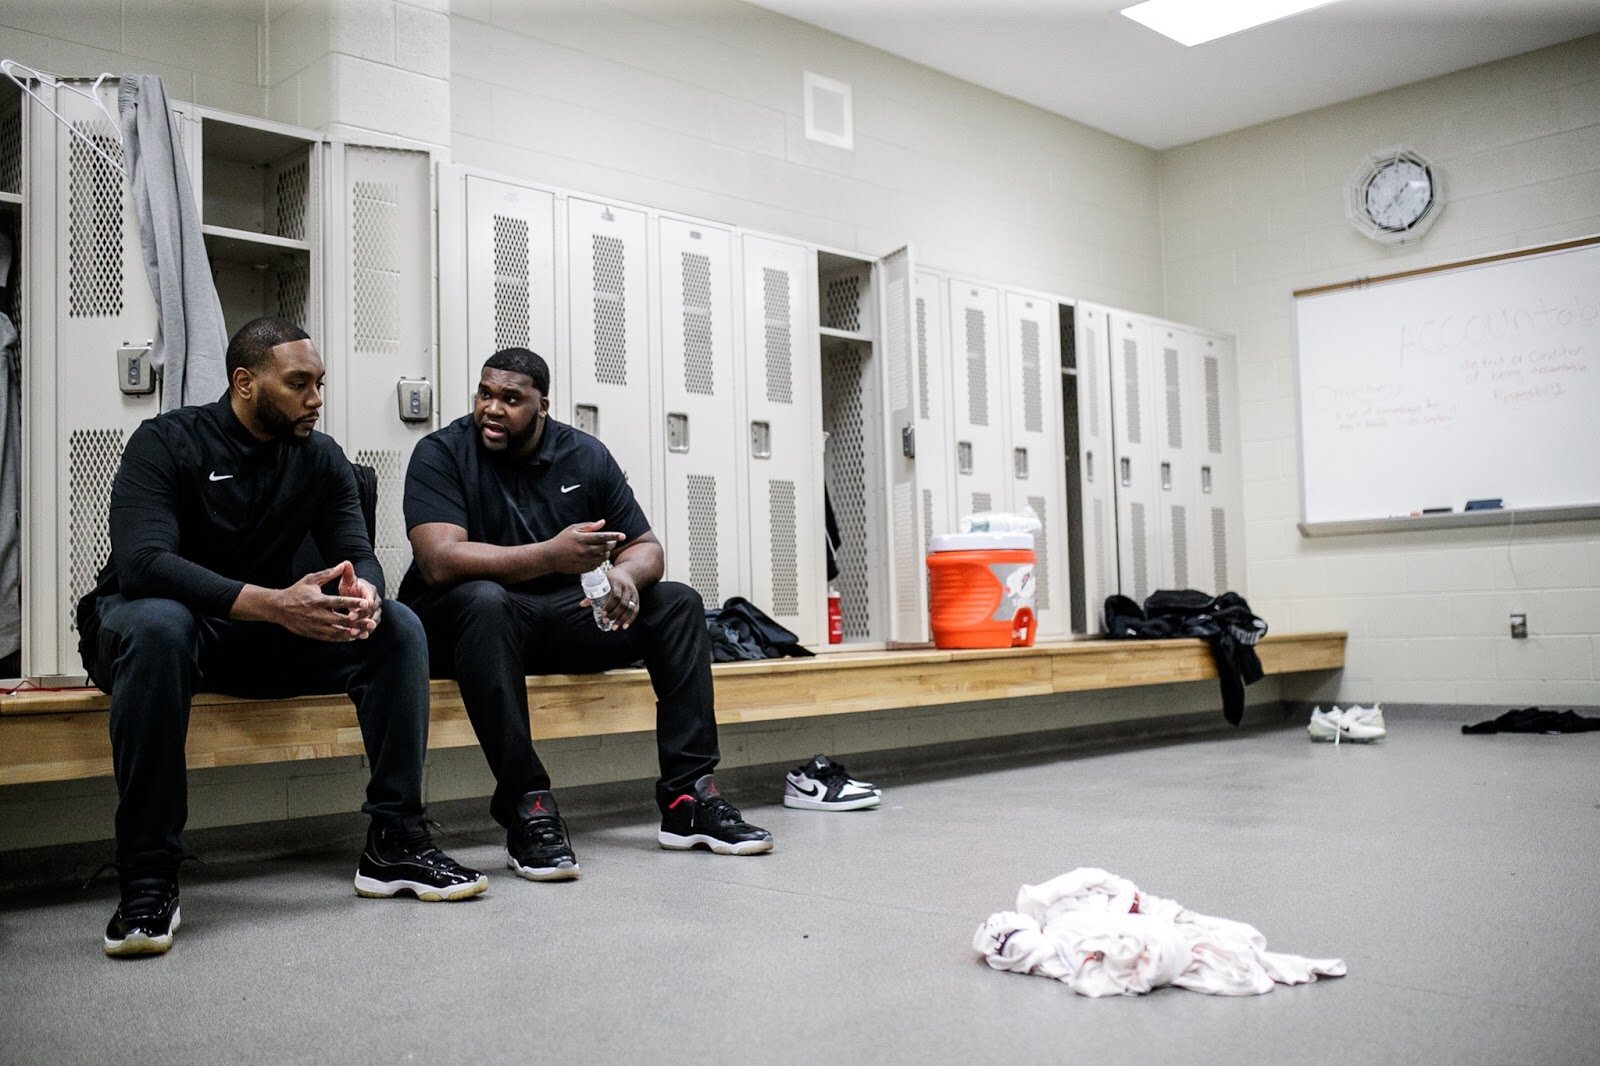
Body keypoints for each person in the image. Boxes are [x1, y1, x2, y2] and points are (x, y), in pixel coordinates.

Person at [78, 317, 487, 959]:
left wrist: (365, 592)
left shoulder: (320, 459)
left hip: (266, 632)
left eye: (319, 384)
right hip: (158, 633)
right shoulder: (165, 443)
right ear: (245, 384)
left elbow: (359, 552)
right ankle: (148, 878)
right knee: (160, 623)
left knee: (398, 627)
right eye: (299, 384)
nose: (316, 399)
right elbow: (144, 565)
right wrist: (274, 605)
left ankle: (396, 841)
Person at [400, 347, 772, 881]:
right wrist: (550, 555)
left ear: (542, 406)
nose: (492, 409)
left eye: (511, 398)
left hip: (562, 616)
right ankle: (528, 808)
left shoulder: (584, 456)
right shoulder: (441, 453)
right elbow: (439, 561)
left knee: (677, 603)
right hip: (468, 625)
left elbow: (648, 549)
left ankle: (688, 800)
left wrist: (627, 575)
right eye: (485, 394)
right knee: (485, 601)